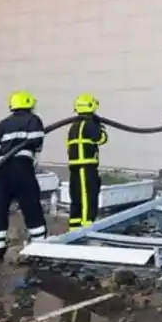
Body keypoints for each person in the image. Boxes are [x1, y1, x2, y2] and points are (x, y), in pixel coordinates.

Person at [0, 90, 48, 262]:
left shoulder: (3, 124)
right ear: (29, 104)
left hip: (1, 172)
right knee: (31, 208)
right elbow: (37, 141)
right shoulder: (34, 120)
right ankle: (40, 246)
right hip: (22, 169)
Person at [65, 93, 108, 231]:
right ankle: (87, 230)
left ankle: (74, 230)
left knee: (76, 200)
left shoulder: (74, 125)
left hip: (75, 168)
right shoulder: (89, 124)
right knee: (88, 199)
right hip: (86, 167)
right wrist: (100, 127)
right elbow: (101, 139)